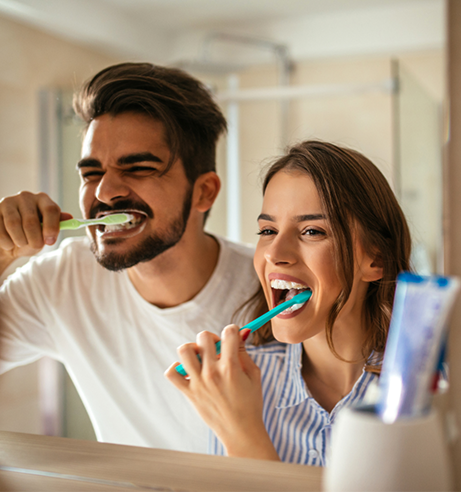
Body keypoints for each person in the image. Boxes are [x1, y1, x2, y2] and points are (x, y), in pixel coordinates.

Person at [0, 63, 259, 453]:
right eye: (91, 173)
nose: (105, 192)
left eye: (139, 168)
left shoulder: (270, 291)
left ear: (204, 193)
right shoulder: (63, 278)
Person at [166, 140, 412, 465]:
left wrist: (244, 436)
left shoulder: (429, 388)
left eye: (312, 231)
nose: (274, 254)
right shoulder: (234, 386)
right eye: (267, 230)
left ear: (375, 258)